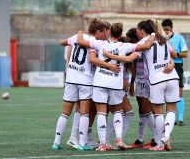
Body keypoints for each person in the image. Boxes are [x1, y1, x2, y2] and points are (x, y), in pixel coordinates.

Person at [76, 22, 156, 152]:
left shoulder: (100, 44)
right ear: (120, 34)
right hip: (115, 84)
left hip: (100, 82)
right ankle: (119, 138)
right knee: (118, 112)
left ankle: (102, 144)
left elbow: (80, 41)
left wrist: (80, 31)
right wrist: (153, 33)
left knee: (101, 112)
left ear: (109, 32)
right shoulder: (125, 46)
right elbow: (147, 45)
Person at [103, 19, 179, 151]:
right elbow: (174, 55)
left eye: (138, 29)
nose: (136, 31)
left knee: (157, 113)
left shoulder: (144, 42)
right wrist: (171, 61)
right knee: (171, 110)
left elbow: (128, 59)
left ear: (142, 31)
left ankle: (159, 142)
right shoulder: (164, 39)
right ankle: (165, 137)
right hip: (172, 78)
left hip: (155, 80)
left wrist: (109, 55)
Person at [51, 19, 119, 151]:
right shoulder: (96, 42)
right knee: (84, 113)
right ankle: (82, 144)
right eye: (104, 32)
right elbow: (92, 59)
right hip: (85, 81)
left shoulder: (77, 37)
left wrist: (76, 36)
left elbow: (62, 42)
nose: (105, 35)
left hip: (71, 79)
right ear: (98, 31)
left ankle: (56, 142)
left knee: (65, 113)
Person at [162, 19, 188, 126]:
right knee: (166, 91)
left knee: (179, 92)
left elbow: (185, 54)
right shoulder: (162, 39)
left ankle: (180, 118)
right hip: (165, 66)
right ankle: (169, 117)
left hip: (177, 66)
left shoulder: (179, 38)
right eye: (164, 29)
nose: (166, 31)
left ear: (171, 27)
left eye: (167, 29)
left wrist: (175, 54)